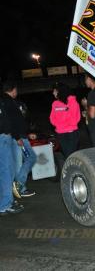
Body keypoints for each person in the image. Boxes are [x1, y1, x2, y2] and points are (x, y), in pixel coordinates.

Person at [3, 81, 37, 198]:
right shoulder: (8, 102)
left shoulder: (11, 101)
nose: (17, 92)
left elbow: (18, 121)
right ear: (12, 89)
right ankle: (19, 186)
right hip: (17, 138)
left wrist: (27, 134)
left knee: (24, 160)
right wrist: (17, 137)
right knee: (27, 159)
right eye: (16, 90)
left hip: (20, 136)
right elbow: (10, 122)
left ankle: (19, 186)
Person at [0, 85, 24, 215]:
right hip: (3, 138)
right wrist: (15, 135)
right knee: (7, 171)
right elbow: (8, 121)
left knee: (3, 171)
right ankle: (5, 204)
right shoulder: (5, 101)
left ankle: (4, 201)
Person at [49, 83, 81, 158]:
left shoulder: (72, 102)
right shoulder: (55, 104)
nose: (53, 93)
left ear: (60, 91)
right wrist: (59, 124)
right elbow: (52, 118)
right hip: (60, 134)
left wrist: (62, 122)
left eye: (55, 91)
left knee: (70, 155)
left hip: (71, 134)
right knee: (67, 155)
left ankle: (72, 169)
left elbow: (75, 120)